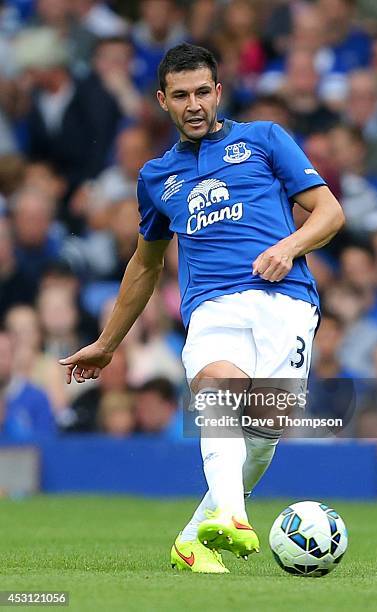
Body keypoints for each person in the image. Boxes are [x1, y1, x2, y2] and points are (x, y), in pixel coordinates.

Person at [59, 43, 344, 574]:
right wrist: (107, 343)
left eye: (202, 92)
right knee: (218, 387)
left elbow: (329, 212)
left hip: (288, 303)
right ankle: (234, 516)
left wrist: (289, 247)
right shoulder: (155, 177)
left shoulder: (263, 140)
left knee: (261, 438)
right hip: (213, 305)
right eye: (181, 95)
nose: (193, 104)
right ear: (162, 100)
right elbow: (144, 266)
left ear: (218, 92)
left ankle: (193, 539)